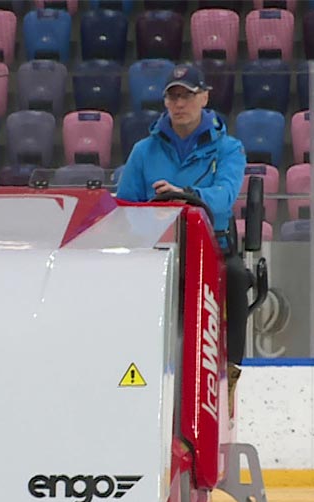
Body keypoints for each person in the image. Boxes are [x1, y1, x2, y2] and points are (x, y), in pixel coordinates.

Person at [115, 64, 253, 397]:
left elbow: (224, 197)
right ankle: (128, 366)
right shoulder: (143, 151)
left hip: (212, 250)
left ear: (204, 97)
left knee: (236, 277)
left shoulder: (228, 149)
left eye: (187, 96)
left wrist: (186, 194)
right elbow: (124, 206)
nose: (180, 104)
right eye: (173, 96)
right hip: (158, 252)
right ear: (164, 102)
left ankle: (230, 371)